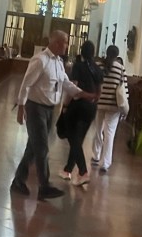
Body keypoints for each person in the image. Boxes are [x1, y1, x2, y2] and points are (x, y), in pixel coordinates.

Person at [11, 30, 97, 200]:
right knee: (42, 147)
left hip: (50, 109)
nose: (67, 45)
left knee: (33, 148)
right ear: (57, 42)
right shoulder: (40, 60)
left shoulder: (58, 62)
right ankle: (44, 186)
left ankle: (18, 181)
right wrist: (21, 107)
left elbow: (65, 83)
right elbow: (26, 84)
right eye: (65, 42)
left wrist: (82, 94)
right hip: (36, 108)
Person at [59, 40, 103, 185]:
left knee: (73, 138)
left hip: (77, 106)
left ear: (82, 51)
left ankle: (83, 172)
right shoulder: (97, 69)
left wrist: (65, 105)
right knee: (78, 139)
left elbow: (73, 87)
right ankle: (67, 170)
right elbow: (99, 92)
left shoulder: (78, 66)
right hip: (91, 108)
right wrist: (93, 101)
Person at [91, 45, 127, 174]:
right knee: (109, 133)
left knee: (98, 130)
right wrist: (124, 108)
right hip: (113, 105)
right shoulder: (120, 68)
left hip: (99, 102)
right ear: (117, 55)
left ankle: (96, 156)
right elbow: (124, 89)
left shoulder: (99, 65)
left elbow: (94, 83)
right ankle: (105, 163)